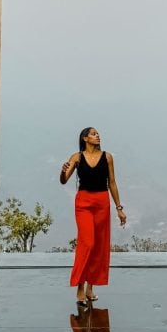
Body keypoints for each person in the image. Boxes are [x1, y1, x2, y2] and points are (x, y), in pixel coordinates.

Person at [60, 127, 127, 306]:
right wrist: (62, 170)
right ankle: (79, 286)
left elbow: (112, 182)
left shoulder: (107, 157)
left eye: (98, 134)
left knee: (98, 246)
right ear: (85, 138)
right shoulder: (76, 157)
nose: (97, 136)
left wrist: (119, 207)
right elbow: (64, 180)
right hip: (83, 202)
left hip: (102, 201)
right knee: (87, 243)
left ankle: (90, 288)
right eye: (93, 133)